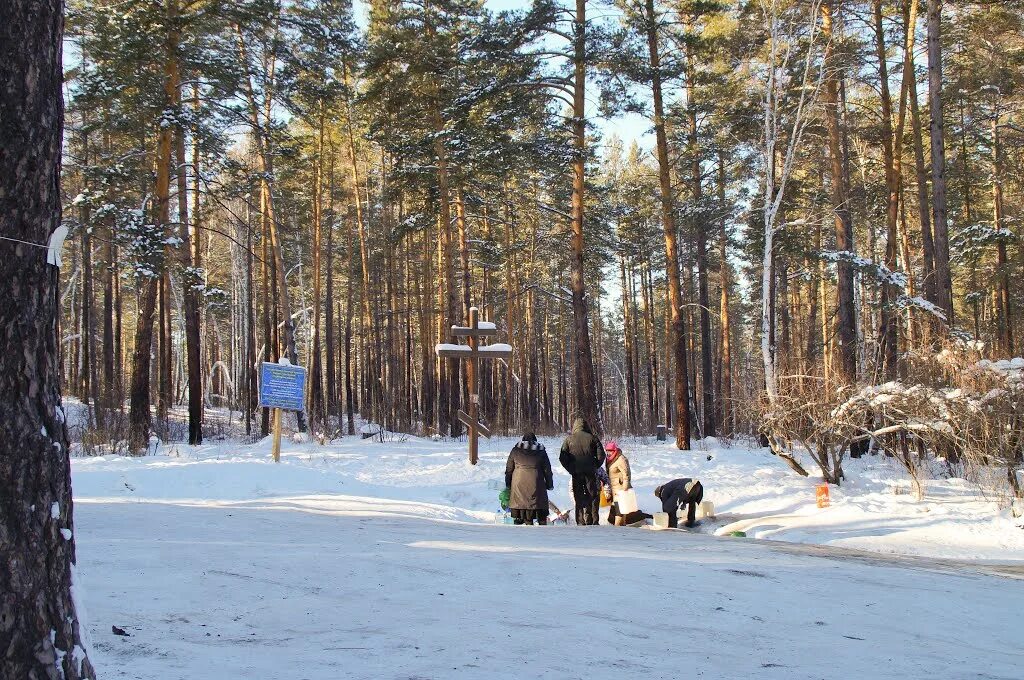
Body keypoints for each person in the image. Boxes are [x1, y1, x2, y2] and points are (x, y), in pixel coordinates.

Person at [559, 417, 605, 526]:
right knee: (592, 495)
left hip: (576, 473)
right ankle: (593, 520)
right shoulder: (593, 438)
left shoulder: (569, 439)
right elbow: (601, 455)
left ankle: (580, 521)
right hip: (590, 472)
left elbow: (562, 457)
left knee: (578, 496)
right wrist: (595, 465)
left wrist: (571, 468)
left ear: (575, 426)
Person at [505, 432, 554, 525]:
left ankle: (526, 526)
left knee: (522, 506)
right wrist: (549, 484)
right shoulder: (541, 451)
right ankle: (542, 526)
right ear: (535, 441)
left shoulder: (515, 450)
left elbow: (509, 469)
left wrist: (508, 484)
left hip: (519, 484)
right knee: (538, 506)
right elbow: (547, 470)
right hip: (537, 483)